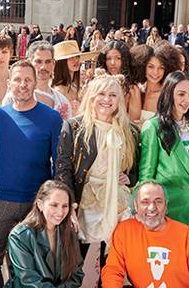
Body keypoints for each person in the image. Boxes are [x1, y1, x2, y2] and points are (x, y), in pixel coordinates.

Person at [0, 60, 62, 288]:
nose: (23, 85)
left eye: (28, 80)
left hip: (36, 203)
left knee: (33, 265)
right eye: (17, 80)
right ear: (9, 83)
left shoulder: (51, 118)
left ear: (36, 82)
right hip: (4, 200)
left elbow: (59, 164)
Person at [56, 74, 139, 263]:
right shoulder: (74, 127)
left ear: (120, 99)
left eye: (113, 95)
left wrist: (130, 178)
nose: (107, 100)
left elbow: (135, 168)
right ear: (92, 97)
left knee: (111, 260)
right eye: (101, 94)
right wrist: (69, 205)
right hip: (83, 200)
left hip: (115, 202)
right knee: (74, 260)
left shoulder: (130, 130)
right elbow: (63, 169)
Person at [138, 71, 189, 226]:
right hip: (169, 207)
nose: (187, 100)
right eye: (181, 94)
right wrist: (147, 208)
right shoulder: (153, 126)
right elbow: (147, 173)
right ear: (169, 94)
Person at [26, 41, 73, 119]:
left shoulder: (62, 101)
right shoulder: (16, 97)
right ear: (30, 63)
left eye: (48, 62)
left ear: (54, 64)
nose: (43, 67)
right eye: (38, 62)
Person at [51, 40, 90, 112]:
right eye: (71, 58)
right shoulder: (59, 90)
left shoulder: (76, 85)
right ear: (62, 62)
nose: (76, 60)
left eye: (77, 56)